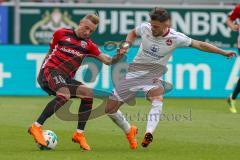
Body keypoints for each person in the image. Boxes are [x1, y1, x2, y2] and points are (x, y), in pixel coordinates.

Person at [105, 7, 236, 149]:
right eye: (152, 24)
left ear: (166, 25)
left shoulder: (176, 38)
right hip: (134, 73)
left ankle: (149, 132)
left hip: (152, 77)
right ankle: (129, 130)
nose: (152, 28)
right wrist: (126, 46)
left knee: (157, 98)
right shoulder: (145, 28)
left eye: (156, 27)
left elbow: (200, 44)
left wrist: (223, 52)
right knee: (110, 109)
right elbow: (132, 33)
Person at [28, 13, 125, 151]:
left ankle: (79, 134)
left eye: (91, 31)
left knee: (87, 93)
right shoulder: (61, 33)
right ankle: (36, 126)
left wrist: (119, 56)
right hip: (50, 72)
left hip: (65, 77)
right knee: (65, 94)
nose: (87, 32)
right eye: (86, 28)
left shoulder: (89, 45)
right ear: (80, 23)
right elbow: (50, 52)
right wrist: (43, 73)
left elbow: (108, 61)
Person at [226, 3, 240, 114]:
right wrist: (232, 26)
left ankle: (232, 98)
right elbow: (229, 19)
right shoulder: (239, 7)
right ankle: (232, 98)